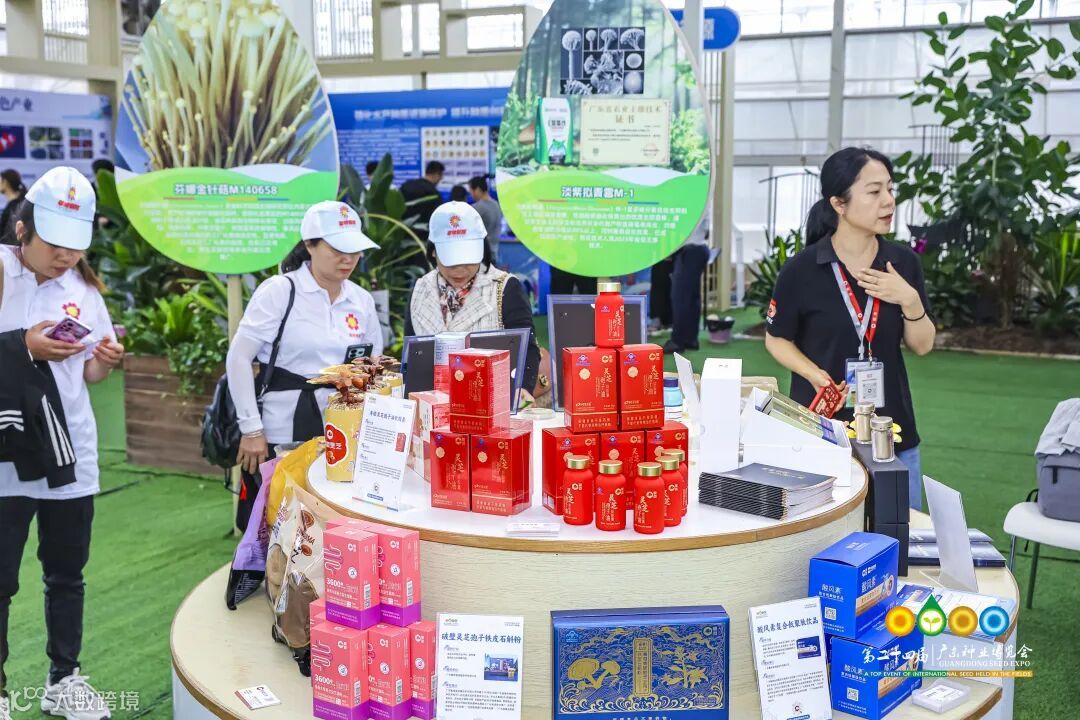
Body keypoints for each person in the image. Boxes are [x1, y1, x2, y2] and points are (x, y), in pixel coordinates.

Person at [0, 167, 125, 720]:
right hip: (7, 454)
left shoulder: (84, 290)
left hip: (69, 452)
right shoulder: (2, 271)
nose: (66, 256)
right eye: (54, 243)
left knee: (67, 574)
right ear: (22, 228)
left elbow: (88, 376)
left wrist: (104, 361)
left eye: (75, 245)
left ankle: (64, 679)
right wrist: (24, 346)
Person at [764, 147, 935, 510]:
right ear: (839, 203)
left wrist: (909, 300)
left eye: (890, 189)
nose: (888, 200)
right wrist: (814, 374)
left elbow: (922, 345)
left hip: (891, 430)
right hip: (818, 430)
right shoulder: (802, 269)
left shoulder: (902, 263)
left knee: (900, 529)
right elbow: (777, 339)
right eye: (874, 191)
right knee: (818, 530)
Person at [225, 201, 383, 530]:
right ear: (310, 245)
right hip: (282, 428)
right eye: (337, 249)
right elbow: (238, 358)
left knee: (331, 522)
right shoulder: (280, 291)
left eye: (354, 250)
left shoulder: (361, 300)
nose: (348, 259)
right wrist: (251, 429)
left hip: (343, 430)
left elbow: (371, 366)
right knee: (279, 520)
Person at [405, 201, 540, 392]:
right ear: (433, 251)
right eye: (451, 261)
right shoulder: (420, 289)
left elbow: (527, 349)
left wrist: (522, 390)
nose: (460, 269)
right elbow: (412, 355)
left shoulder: (504, 287)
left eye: (468, 259)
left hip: (490, 397)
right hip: (431, 399)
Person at [663, 217, 710, 353]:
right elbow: (706, 232)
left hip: (689, 250)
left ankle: (677, 341)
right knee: (691, 298)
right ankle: (690, 338)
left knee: (680, 298)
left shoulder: (690, 206)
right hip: (699, 248)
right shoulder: (704, 205)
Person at [399, 161, 445, 242]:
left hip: (404, 233)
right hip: (423, 237)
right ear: (437, 174)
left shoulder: (407, 186)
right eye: (441, 175)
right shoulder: (433, 193)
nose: (441, 179)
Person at [468, 176, 503, 262]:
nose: (471, 195)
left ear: (477, 189)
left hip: (481, 256)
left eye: (471, 191)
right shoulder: (496, 205)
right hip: (494, 253)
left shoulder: (477, 208)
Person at [0, 170, 27, 246]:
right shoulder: (14, 204)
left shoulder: (16, 207)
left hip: (9, 250)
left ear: (5, 182)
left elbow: (11, 236)